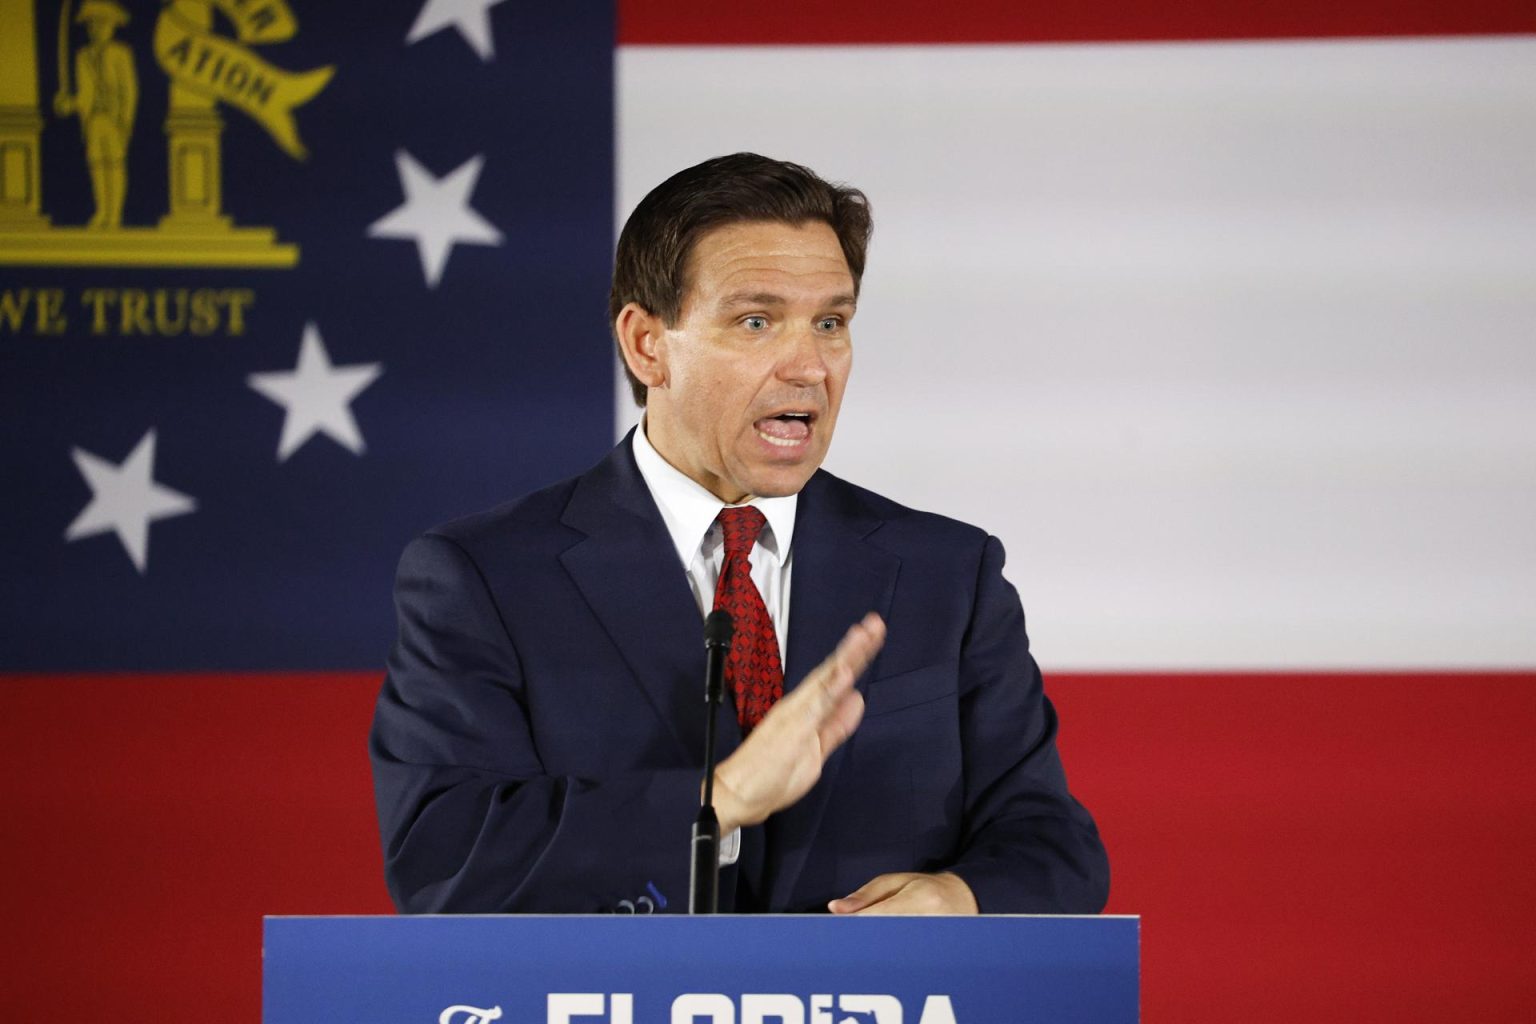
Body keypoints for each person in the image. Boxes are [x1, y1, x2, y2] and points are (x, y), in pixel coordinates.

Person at [370, 153, 1109, 915]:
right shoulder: (486, 578)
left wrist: (959, 899)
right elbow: (446, 858)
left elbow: (1051, 843)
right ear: (647, 345)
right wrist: (718, 799)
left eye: (832, 322)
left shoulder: (947, 573)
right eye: (756, 321)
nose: (810, 365)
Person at [54, 0, 137, 230]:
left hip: (114, 119)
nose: (96, 29)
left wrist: (125, 122)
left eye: (101, 24)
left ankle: (115, 214)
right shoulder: (82, 56)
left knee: (115, 163)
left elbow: (129, 91)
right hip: (93, 120)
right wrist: (70, 104)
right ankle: (101, 211)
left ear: (112, 26)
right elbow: (85, 94)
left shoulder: (121, 54)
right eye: (92, 25)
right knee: (97, 164)